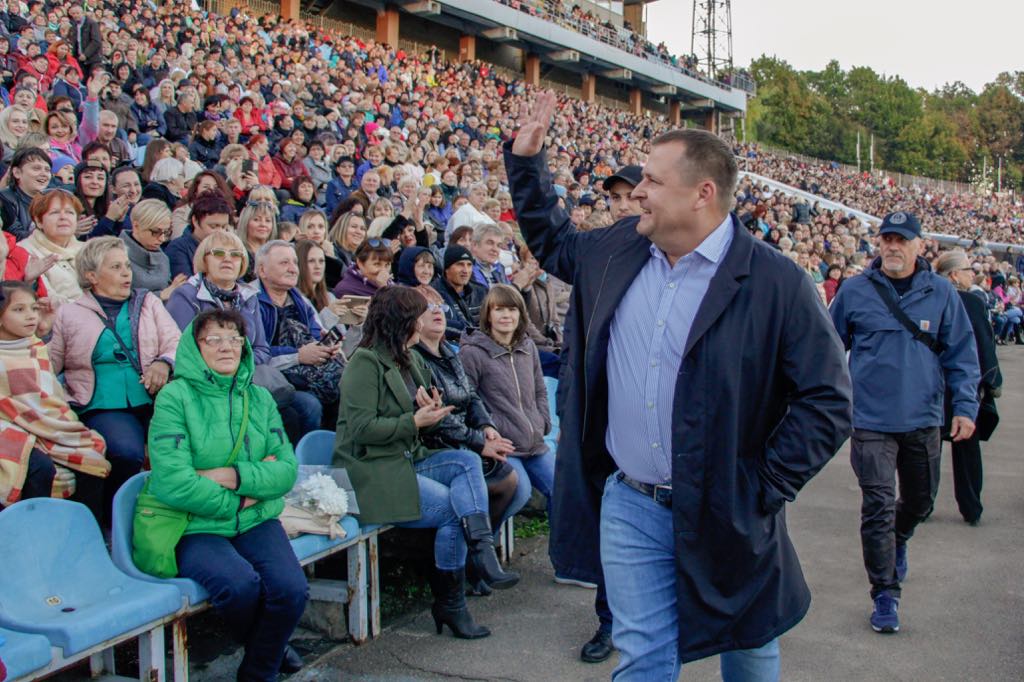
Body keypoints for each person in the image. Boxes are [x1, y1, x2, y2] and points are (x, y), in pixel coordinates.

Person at [506, 93, 852, 681]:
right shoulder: (616, 249)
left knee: (750, 638)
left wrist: (765, 484)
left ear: (702, 194)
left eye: (653, 181)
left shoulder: (776, 282)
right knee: (643, 654)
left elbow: (827, 399)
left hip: (728, 506)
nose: (637, 190)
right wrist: (527, 162)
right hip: (632, 500)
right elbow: (552, 239)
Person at [331, 286, 518, 640]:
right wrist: (414, 422)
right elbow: (360, 429)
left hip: (404, 457)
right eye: (418, 314)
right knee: (452, 511)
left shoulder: (410, 358)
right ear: (402, 321)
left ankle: (481, 551)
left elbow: (437, 403)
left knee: (465, 460)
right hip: (371, 470)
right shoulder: (364, 362)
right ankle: (451, 603)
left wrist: (429, 407)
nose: (425, 319)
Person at [829, 211, 980, 635]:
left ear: (919, 245)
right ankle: (885, 593)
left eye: (902, 240)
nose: (893, 247)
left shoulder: (941, 294)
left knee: (920, 503)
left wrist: (965, 407)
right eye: (886, 239)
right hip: (870, 420)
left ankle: (900, 538)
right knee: (876, 505)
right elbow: (826, 347)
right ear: (878, 243)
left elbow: (962, 356)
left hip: (923, 417)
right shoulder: (855, 291)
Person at [145, 308, 307, 681]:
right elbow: (174, 480)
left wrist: (233, 475)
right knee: (238, 586)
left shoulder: (260, 398)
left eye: (234, 338)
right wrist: (244, 493)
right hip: (194, 523)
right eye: (213, 339)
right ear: (194, 347)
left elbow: (284, 469)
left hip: (255, 517)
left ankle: (257, 670)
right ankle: (269, 650)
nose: (226, 347)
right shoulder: (174, 397)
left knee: (291, 589)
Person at [48, 236, 180, 521]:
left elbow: (175, 342)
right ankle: (114, 520)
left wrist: (163, 362)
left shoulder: (149, 303)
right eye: (116, 267)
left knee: (180, 447)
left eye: (127, 267)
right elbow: (49, 364)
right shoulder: (69, 313)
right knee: (125, 451)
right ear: (91, 275)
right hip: (102, 403)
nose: (126, 273)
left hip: (154, 397)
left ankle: (169, 517)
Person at [0, 280, 108, 519]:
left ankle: (85, 534)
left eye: (33, 308)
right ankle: (31, 535)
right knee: (39, 468)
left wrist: (45, 427)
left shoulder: (35, 347)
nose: (30, 316)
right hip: (9, 430)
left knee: (92, 455)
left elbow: (49, 399)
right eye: (19, 310)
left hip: (42, 425)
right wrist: (26, 431)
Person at [460, 285, 554, 525]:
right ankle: (483, 549)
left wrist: (543, 421)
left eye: (512, 309)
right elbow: (467, 398)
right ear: (487, 315)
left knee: (565, 490)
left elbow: (540, 389)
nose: (506, 316)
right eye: (499, 309)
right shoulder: (473, 352)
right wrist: (485, 432)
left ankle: (565, 555)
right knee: (519, 493)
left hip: (534, 442)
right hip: (504, 446)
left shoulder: (528, 346)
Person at [934, 250, 1001, 526]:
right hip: (962, 383)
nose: (971, 274)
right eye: (967, 269)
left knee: (927, 449)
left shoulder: (928, 299)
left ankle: (921, 503)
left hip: (931, 385)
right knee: (967, 449)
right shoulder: (971, 302)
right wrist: (992, 381)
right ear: (953, 274)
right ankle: (971, 506)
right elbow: (984, 345)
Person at [255, 240, 339, 438]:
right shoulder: (251, 300)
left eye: (294, 263)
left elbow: (316, 333)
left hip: (306, 372)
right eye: (284, 263)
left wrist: (326, 348)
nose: (293, 269)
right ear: (262, 270)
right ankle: (305, 464)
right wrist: (298, 356)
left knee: (346, 388)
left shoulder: (299, 299)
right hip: (271, 377)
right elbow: (256, 352)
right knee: (309, 406)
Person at [165, 229, 270, 365]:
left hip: (244, 377)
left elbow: (261, 349)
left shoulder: (249, 297)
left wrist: (239, 367)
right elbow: (181, 349)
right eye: (219, 253)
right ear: (204, 260)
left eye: (235, 254)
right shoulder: (185, 295)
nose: (227, 259)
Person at [18, 189, 86, 307]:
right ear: (39, 221)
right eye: (55, 212)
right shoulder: (25, 251)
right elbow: (48, 300)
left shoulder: (88, 249)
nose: (63, 217)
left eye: (70, 212)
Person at [119, 198, 184, 297]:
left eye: (166, 232)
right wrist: (161, 295)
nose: (162, 239)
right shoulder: (116, 255)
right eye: (155, 232)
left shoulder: (163, 258)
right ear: (136, 226)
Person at [165, 193, 234, 278]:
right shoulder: (178, 248)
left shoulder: (230, 247)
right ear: (195, 221)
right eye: (213, 226)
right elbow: (186, 286)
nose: (220, 232)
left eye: (224, 227)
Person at [432, 245, 486, 341]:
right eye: (460, 264)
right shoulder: (434, 292)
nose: (465, 270)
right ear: (447, 269)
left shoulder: (481, 291)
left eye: (469, 265)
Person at [1, 147, 53, 241]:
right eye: (36, 168)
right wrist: (59, 233)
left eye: (47, 170)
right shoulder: (4, 199)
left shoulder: (53, 200)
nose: (44, 174)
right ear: (17, 172)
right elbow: (16, 235)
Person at [66, 3, 102, 79]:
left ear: (83, 13)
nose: (75, 15)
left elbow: (96, 41)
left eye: (77, 13)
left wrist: (86, 54)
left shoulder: (92, 24)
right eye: (73, 13)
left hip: (93, 59)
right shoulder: (74, 25)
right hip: (80, 60)